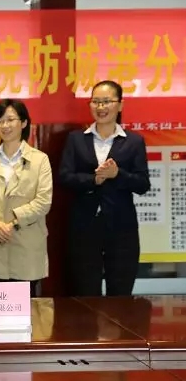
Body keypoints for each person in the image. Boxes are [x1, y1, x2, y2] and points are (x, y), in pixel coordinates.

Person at [60, 80, 150, 296]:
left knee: (120, 292)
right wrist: (94, 180)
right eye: (96, 102)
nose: (101, 107)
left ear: (120, 105)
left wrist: (118, 174)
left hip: (122, 227)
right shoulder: (76, 139)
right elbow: (64, 177)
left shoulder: (133, 142)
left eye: (107, 101)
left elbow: (142, 184)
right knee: (86, 291)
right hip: (84, 226)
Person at [0, 99, 52, 297]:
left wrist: (12, 224)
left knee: (26, 308)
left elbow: (43, 201)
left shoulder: (40, 160)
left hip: (26, 245)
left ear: (24, 122)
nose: (5, 126)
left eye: (10, 120)